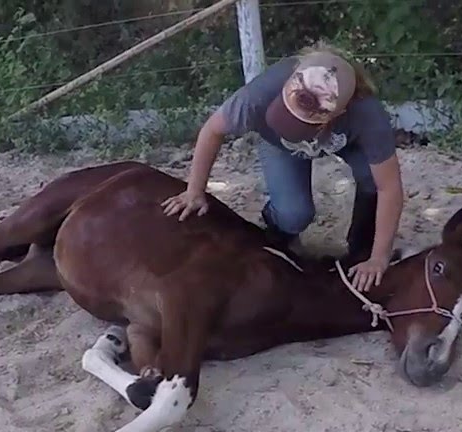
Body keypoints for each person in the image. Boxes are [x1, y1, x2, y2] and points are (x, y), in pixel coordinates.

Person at [162, 44, 404, 293]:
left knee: (372, 182)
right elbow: (212, 130)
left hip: (346, 141)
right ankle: (278, 235)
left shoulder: (367, 114)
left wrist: (379, 258)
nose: (291, 124)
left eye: (301, 124)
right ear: (290, 80)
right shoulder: (258, 95)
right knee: (294, 214)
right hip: (278, 144)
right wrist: (194, 190)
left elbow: (389, 188)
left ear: (340, 112)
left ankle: (361, 247)